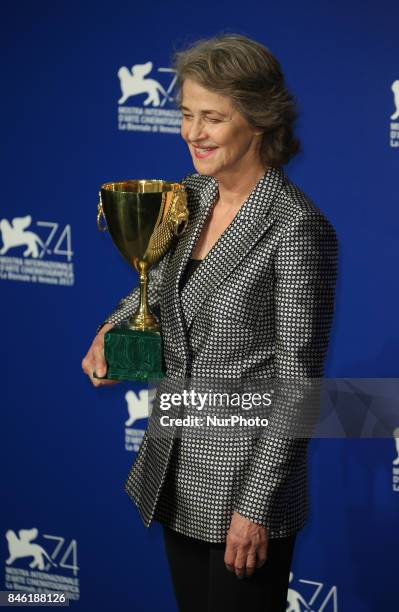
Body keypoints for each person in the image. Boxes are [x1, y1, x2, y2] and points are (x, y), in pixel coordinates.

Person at [82, 34, 338, 612]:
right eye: (186, 114)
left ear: (259, 122)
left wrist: (255, 507)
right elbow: (152, 291)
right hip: (175, 466)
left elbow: (299, 386)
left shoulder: (296, 228)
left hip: (244, 487)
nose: (192, 133)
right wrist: (111, 332)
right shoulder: (189, 196)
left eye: (213, 118)